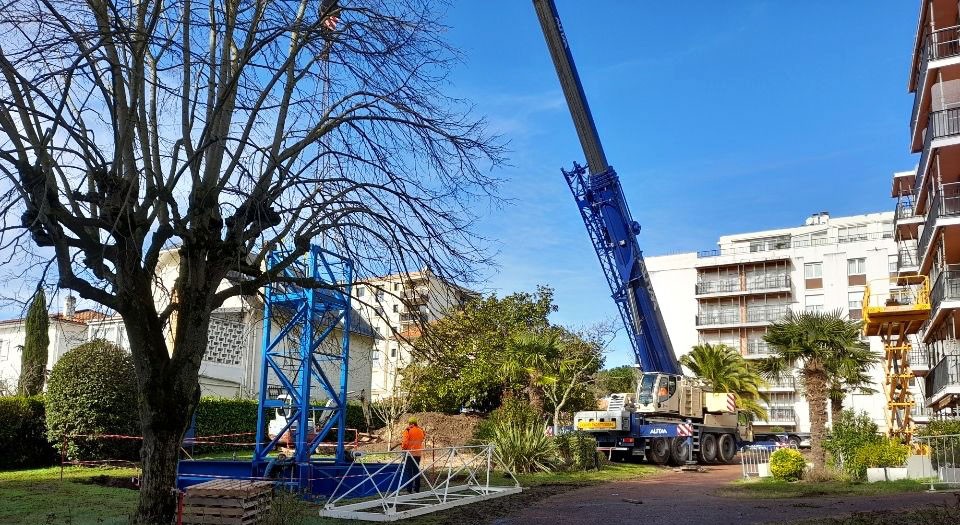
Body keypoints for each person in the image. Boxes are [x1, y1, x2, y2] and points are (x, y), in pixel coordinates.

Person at [401, 416, 425, 493]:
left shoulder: (408, 430)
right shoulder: (421, 430)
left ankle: (409, 490)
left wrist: (403, 449)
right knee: (416, 471)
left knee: (409, 472)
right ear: (416, 423)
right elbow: (422, 439)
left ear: (410, 423)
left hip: (409, 454)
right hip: (418, 454)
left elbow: (405, 443)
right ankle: (417, 489)